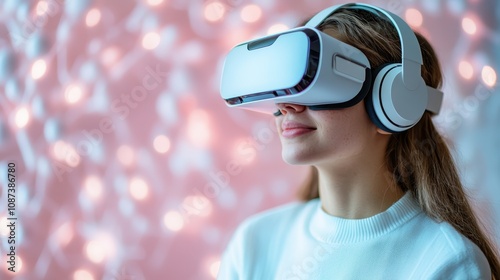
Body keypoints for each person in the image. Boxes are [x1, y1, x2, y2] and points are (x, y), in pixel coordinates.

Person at [217, 3, 500, 280]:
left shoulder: (447, 263)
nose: (288, 105)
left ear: (394, 104)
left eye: (317, 83)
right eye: (290, 82)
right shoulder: (253, 244)